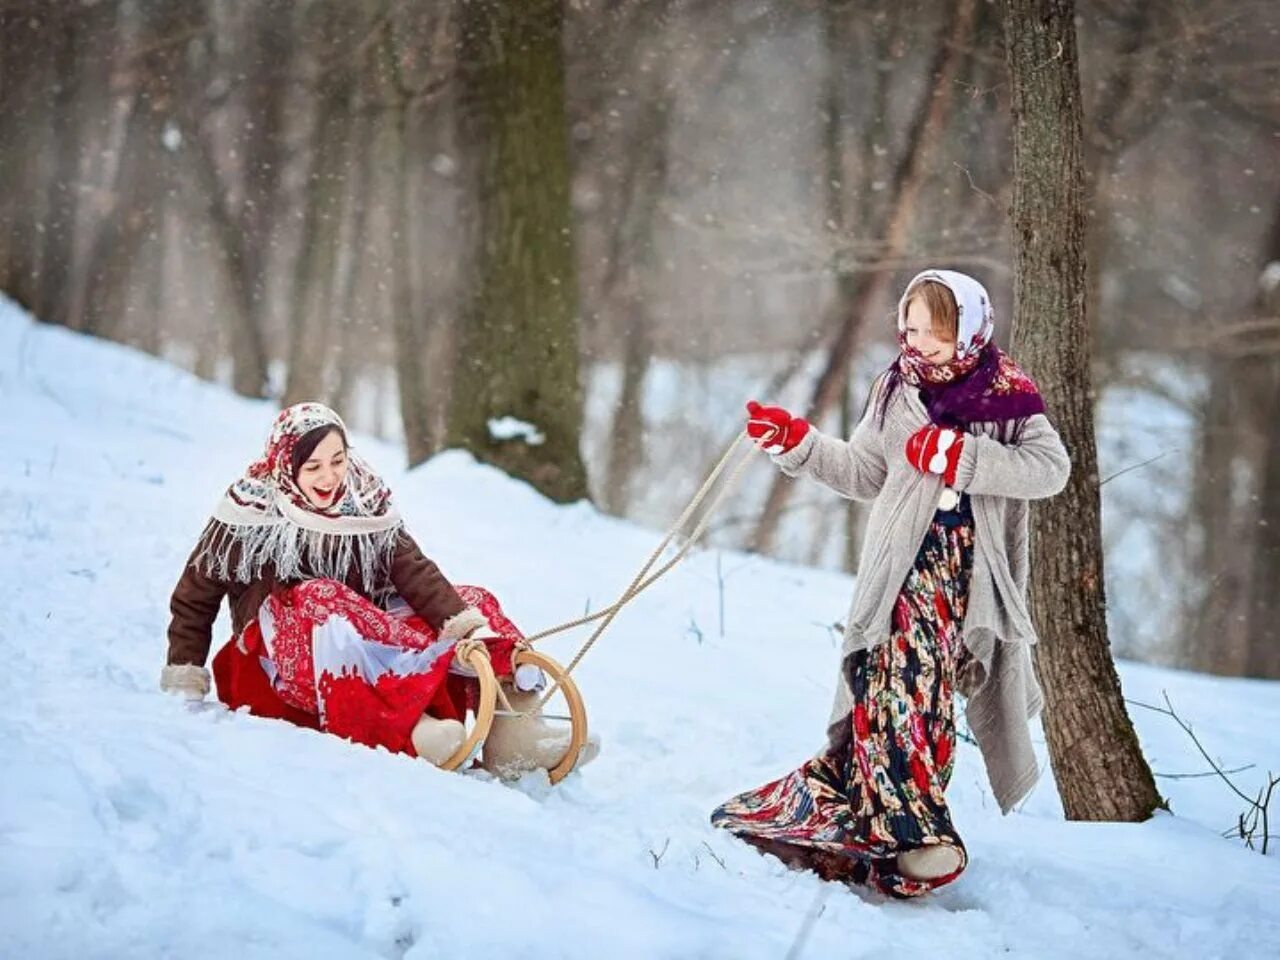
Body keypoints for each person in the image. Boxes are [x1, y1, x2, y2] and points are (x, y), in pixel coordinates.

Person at [711, 269, 1069, 898]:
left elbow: (1050, 470)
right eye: (911, 327)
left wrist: (964, 458)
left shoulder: (1009, 394)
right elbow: (865, 472)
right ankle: (908, 835)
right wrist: (799, 445)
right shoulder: (895, 388)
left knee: (917, 691)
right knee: (886, 684)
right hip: (896, 571)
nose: (919, 342)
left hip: (965, 575)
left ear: (970, 329)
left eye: (936, 332)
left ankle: (898, 829)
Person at [161, 401, 593, 776]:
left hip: (358, 641)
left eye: (337, 460)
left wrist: (469, 632)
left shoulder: (364, 502)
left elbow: (414, 571)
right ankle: (410, 729)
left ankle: (514, 734)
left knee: (473, 601)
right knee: (319, 595)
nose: (329, 477)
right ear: (286, 466)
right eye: (312, 467)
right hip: (275, 663)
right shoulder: (248, 512)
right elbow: (195, 598)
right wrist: (185, 672)